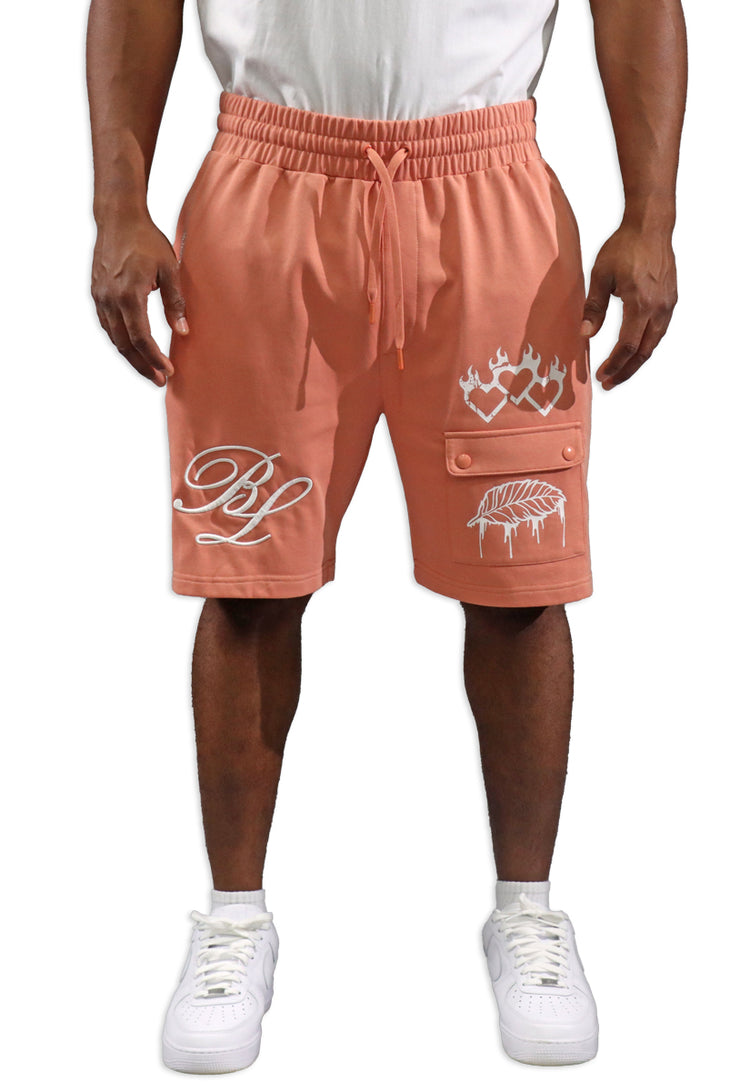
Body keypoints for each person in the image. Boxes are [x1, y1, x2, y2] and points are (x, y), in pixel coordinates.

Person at [86, 0, 686, 1073]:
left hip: (491, 192)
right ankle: (234, 920)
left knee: (521, 581)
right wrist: (117, 205)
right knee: (249, 581)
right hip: (266, 187)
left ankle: (528, 912)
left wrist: (653, 212)